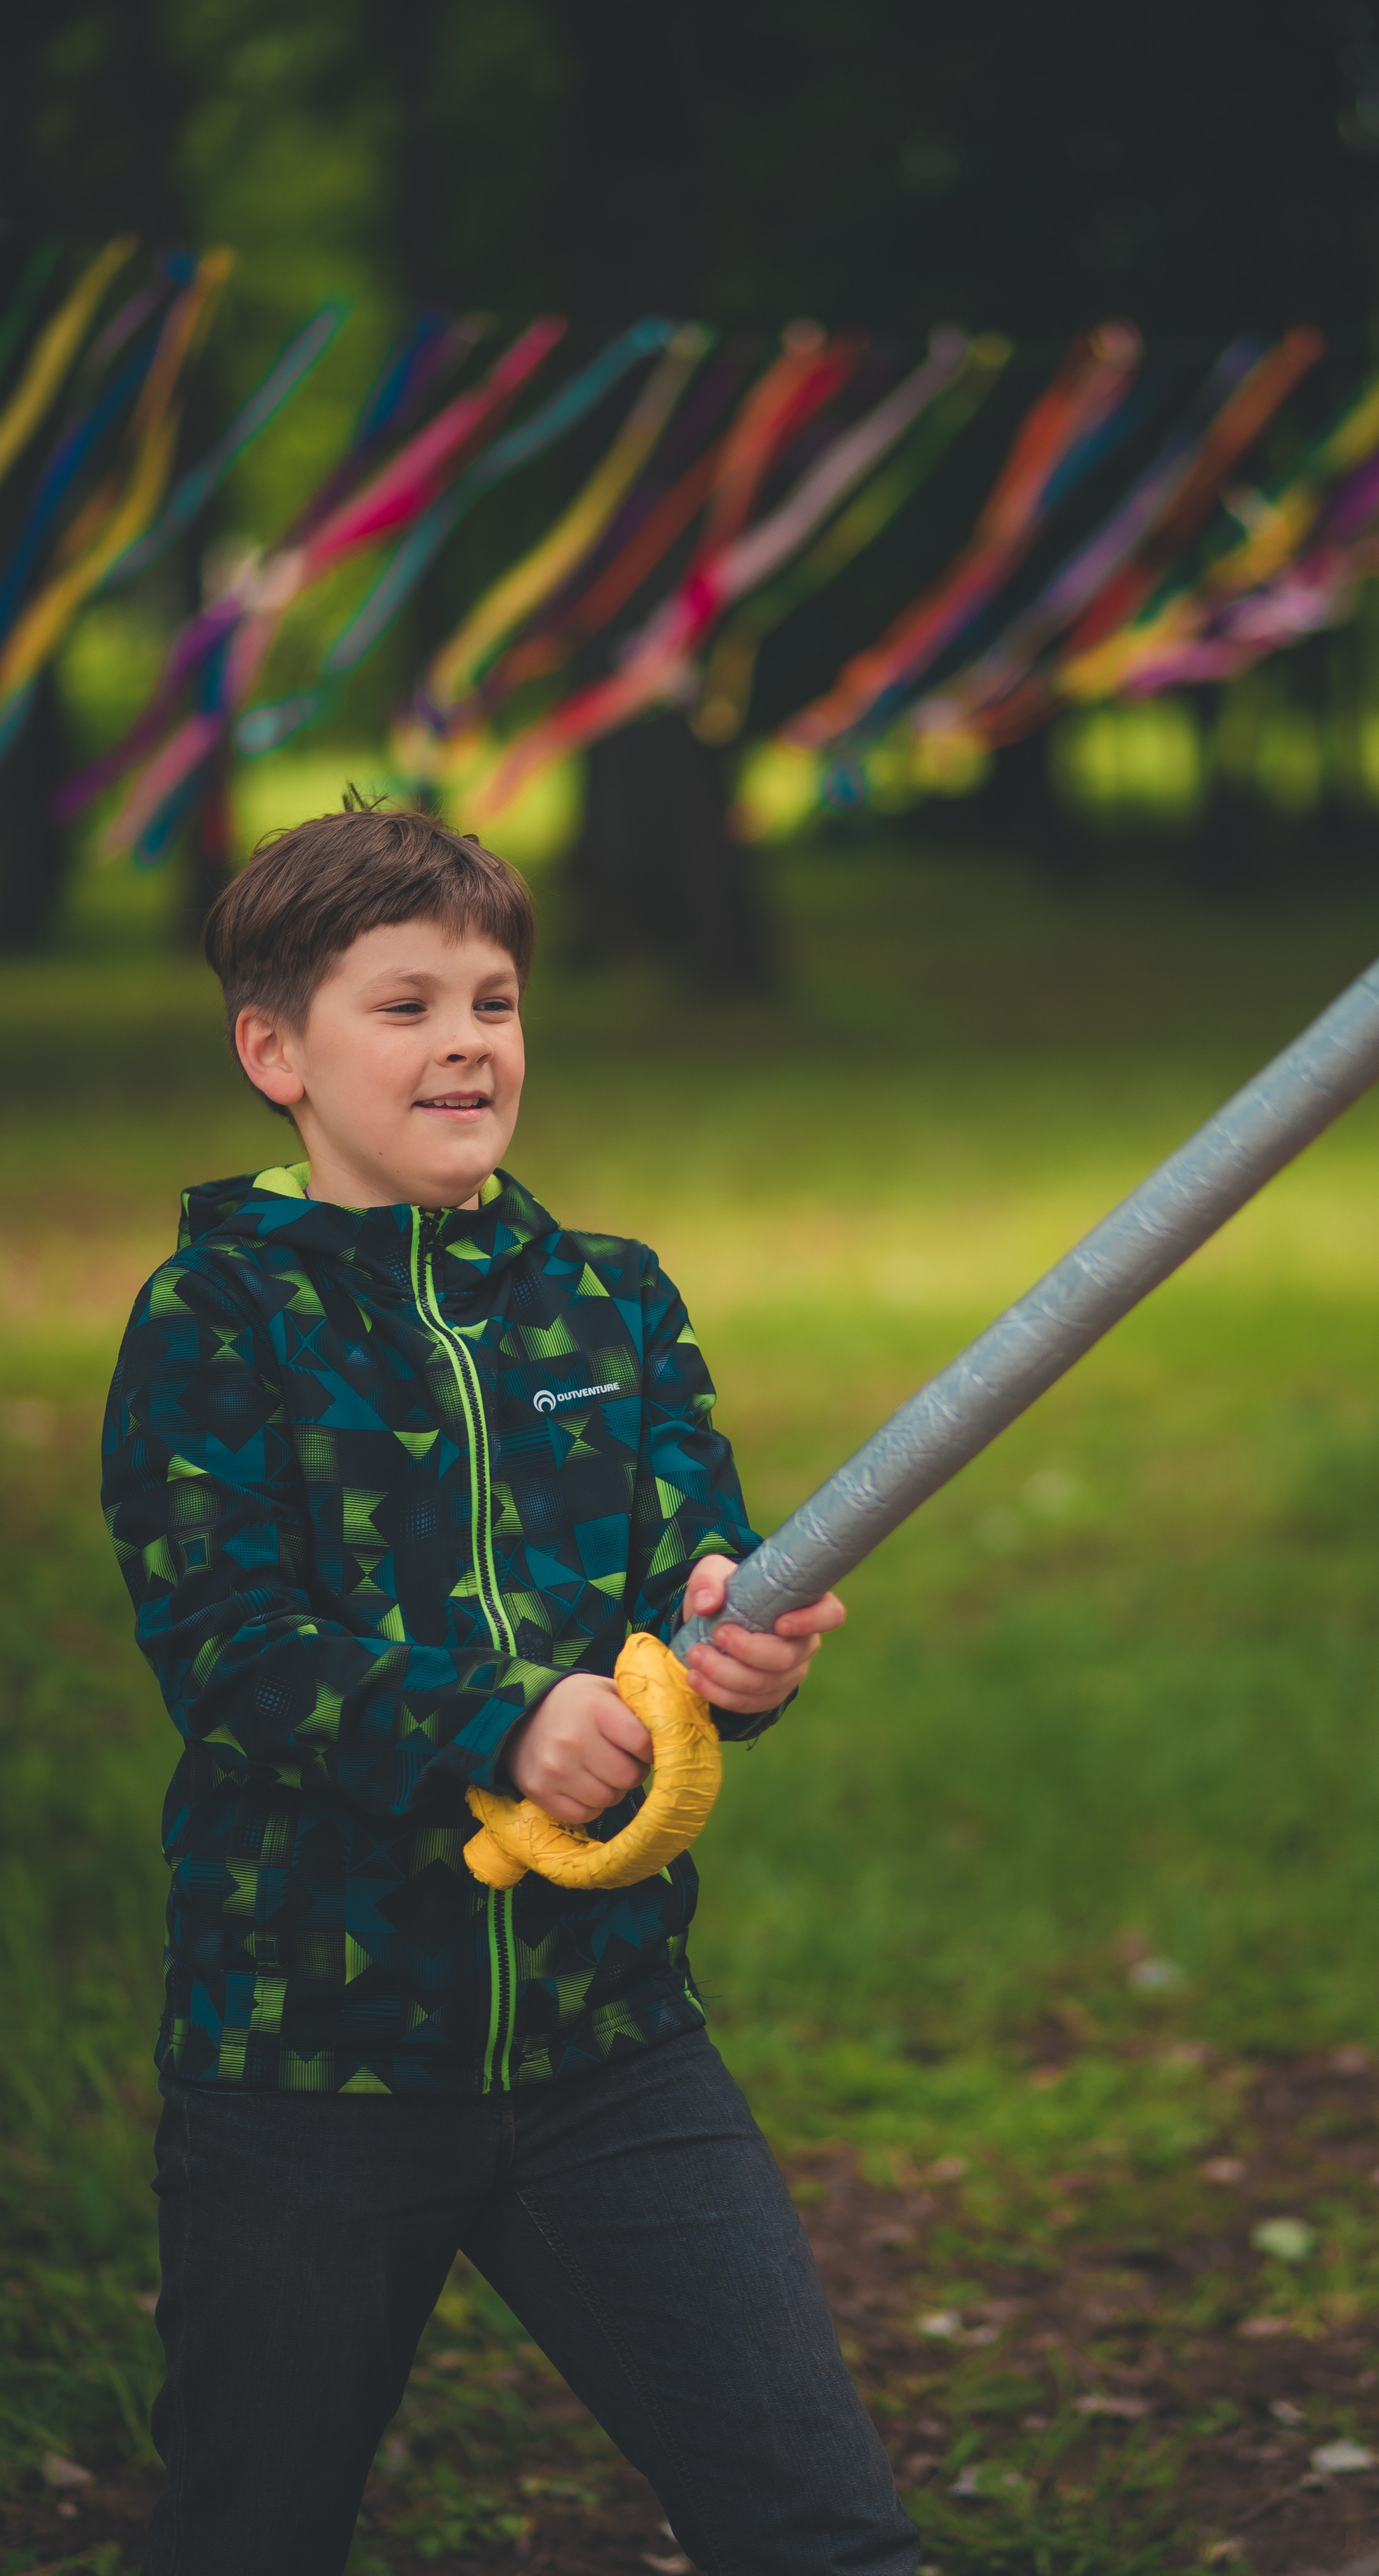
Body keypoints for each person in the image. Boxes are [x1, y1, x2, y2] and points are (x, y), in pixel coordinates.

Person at [101, 797, 919, 2576]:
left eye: (494, 1001)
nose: (467, 1041)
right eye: (405, 1006)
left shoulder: (611, 1304)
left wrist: (742, 1656)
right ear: (276, 1052)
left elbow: (687, 1603)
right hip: (307, 2060)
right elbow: (234, 1660)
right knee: (250, 2537)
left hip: (609, 2041)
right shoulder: (217, 1321)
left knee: (823, 2533)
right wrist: (500, 1726)